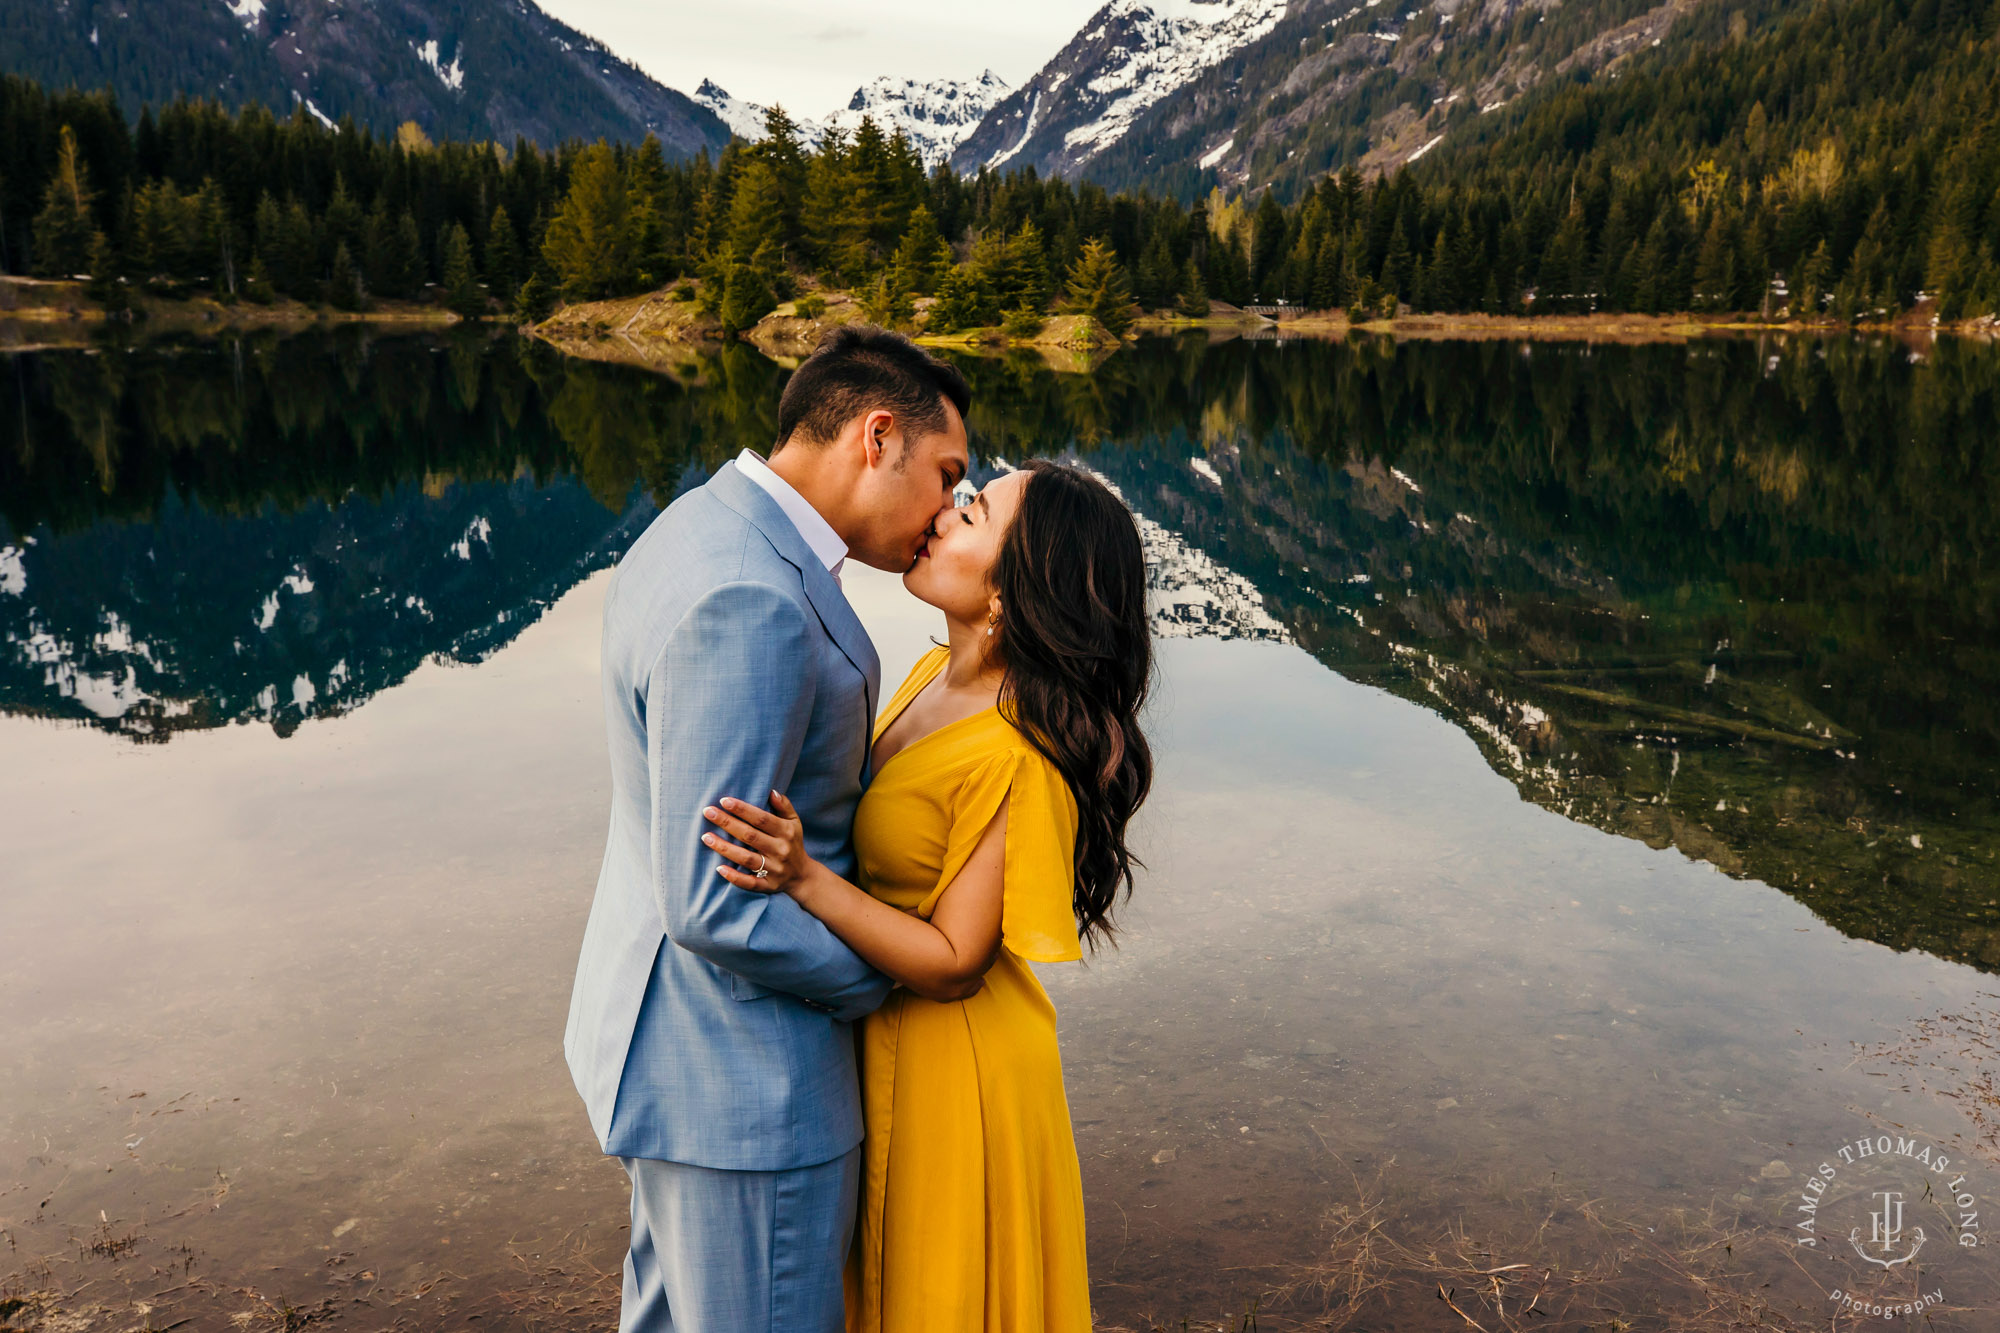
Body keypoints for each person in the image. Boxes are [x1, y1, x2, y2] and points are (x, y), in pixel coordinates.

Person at [563, 325, 972, 1333]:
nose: (946, 509)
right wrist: (879, 978)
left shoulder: (702, 524)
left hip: (669, 1055)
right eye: (946, 471)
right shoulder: (751, 594)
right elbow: (711, 903)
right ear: (876, 436)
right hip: (744, 1090)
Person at [699, 459, 1155, 1332]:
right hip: (888, 1039)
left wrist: (804, 878)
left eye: (973, 513)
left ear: (1015, 595)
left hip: (963, 1071)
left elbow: (953, 962)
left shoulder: (1018, 749)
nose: (943, 515)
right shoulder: (926, 675)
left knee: (933, 1297)